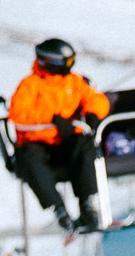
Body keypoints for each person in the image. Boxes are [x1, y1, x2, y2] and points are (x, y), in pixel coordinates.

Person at [6, 38, 110, 232]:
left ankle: (87, 202)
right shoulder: (30, 85)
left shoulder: (74, 81)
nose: (70, 67)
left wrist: (93, 113)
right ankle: (58, 208)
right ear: (51, 62)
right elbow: (18, 113)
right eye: (67, 63)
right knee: (27, 158)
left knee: (84, 144)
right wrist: (53, 120)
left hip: (66, 142)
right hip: (38, 144)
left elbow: (96, 99)